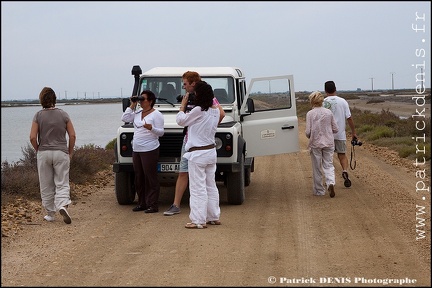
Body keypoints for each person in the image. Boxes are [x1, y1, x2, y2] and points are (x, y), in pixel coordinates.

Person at [164, 71, 225, 216]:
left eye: (185, 84)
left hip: (194, 144)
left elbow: (220, 113)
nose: (184, 87)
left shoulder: (204, 101)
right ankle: (210, 215)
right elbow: (218, 114)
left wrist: (203, 129)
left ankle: (197, 217)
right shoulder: (204, 104)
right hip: (202, 145)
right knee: (205, 182)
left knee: (198, 185)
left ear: (193, 83)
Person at [176, 81, 221, 229]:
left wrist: (182, 106)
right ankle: (213, 216)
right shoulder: (215, 111)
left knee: (197, 188)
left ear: (199, 94)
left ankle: (198, 220)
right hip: (210, 152)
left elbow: (180, 121)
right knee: (211, 185)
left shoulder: (198, 110)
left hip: (197, 153)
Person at [29, 87, 76, 224]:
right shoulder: (63, 114)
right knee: (62, 181)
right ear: (55, 99)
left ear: (41, 100)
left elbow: (32, 137)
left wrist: (38, 149)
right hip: (61, 152)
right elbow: (72, 135)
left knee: (46, 183)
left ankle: (50, 213)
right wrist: (70, 151)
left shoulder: (38, 115)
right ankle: (62, 205)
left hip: (44, 152)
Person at [121, 90, 164, 213]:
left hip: (150, 148)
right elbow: (124, 118)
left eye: (143, 99)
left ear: (150, 101)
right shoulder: (138, 113)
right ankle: (142, 203)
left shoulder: (157, 114)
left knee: (150, 177)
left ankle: (153, 204)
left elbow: (161, 132)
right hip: (137, 148)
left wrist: (152, 128)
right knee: (139, 177)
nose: (141, 101)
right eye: (140, 99)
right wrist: (132, 104)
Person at [323, 81, 358, 188]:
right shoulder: (343, 101)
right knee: (342, 155)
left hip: (326, 135)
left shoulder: (323, 102)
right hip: (340, 134)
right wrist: (353, 132)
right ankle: (345, 171)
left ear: (325, 90)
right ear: (335, 88)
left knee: (327, 158)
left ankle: (329, 180)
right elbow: (349, 118)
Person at [305, 91, 339, 197]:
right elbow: (335, 128)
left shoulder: (310, 114)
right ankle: (330, 182)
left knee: (317, 167)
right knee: (328, 164)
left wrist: (310, 135)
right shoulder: (328, 112)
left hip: (315, 143)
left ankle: (319, 190)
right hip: (329, 142)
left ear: (312, 101)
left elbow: (308, 132)